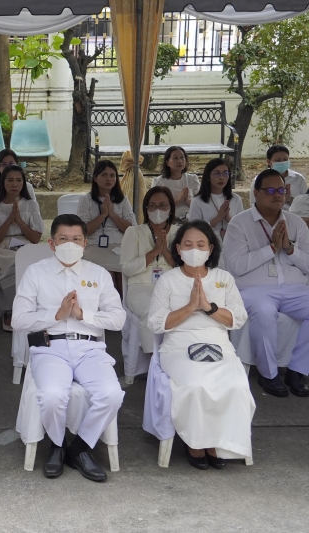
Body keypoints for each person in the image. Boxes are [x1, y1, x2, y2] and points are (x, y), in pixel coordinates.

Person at [12, 214, 126, 482]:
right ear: (52, 243)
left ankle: (78, 448)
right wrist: (57, 315)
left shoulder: (98, 275)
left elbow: (118, 319)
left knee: (112, 394)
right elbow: (18, 319)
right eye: (63, 239)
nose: (70, 244)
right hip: (50, 347)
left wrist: (82, 314)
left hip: (90, 349)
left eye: (76, 239)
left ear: (85, 243)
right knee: (52, 395)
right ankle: (58, 442)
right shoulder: (36, 272)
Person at [148, 220, 255, 469]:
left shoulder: (224, 278)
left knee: (237, 386)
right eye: (188, 244)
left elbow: (237, 319)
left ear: (210, 249)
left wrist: (208, 307)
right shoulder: (168, 281)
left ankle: (220, 441)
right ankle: (195, 441)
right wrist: (189, 307)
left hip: (219, 345)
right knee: (196, 384)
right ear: (178, 249)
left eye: (200, 244)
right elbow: (155, 322)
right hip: (178, 346)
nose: (194, 249)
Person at [224, 168, 309, 397]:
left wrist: (290, 249)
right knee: (263, 312)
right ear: (256, 193)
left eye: (281, 189)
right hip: (255, 290)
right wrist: (271, 248)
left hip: (295, 288)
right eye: (270, 190)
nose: (277, 195)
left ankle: (297, 370)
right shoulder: (239, 224)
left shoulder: (296, 223)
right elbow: (236, 265)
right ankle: (268, 374)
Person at [0, 164, 44, 331]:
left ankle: (32, 309)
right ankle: (12, 311)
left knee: (33, 262)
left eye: (19, 180)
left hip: (25, 245)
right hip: (2, 248)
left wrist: (20, 222)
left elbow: (36, 238)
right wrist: (9, 220)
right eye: (10, 180)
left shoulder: (31, 205)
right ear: (3, 183)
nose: (14, 184)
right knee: (14, 262)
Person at [120, 186, 178, 354]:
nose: (157, 210)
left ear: (170, 208)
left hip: (171, 286)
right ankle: (156, 357)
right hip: (140, 287)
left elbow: (184, 267)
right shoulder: (134, 232)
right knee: (151, 309)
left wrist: (165, 250)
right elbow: (127, 269)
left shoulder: (179, 232)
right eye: (152, 206)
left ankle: (178, 353)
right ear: (146, 209)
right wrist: (154, 253)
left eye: (162, 205)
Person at [77, 160, 136, 273]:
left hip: (118, 245)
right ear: (95, 178)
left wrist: (112, 215)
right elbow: (84, 231)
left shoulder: (123, 200)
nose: (108, 179)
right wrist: (103, 215)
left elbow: (132, 229)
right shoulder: (86, 200)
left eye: (112, 175)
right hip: (93, 245)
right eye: (104, 175)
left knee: (122, 269)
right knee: (108, 273)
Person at [188, 158, 243, 241]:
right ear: (208, 177)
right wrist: (218, 218)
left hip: (233, 242)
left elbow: (243, 227)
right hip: (208, 243)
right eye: (217, 174)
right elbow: (194, 230)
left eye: (225, 173)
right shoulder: (197, 201)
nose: (221, 177)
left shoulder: (236, 199)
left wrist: (228, 218)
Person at [0, 149, 34, 220]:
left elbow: (33, 211)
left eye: (11, 163)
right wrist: (8, 217)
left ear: (17, 164)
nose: (8, 167)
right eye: (4, 164)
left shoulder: (28, 187)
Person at [249, 144, 307, 211]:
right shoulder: (259, 180)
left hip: (294, 218)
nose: (282, 162)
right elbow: (254, 205)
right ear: (269, 162)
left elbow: (305, 206)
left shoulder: (299, 179)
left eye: (285, 159)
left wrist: (290, 200)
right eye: (278, 160)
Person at [152, 146, 200, 220]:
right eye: (175, 158)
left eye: (182, 157)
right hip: (169, 220)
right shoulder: (159, 182)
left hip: (191, 219)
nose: (180, 161)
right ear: (167, 162)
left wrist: (188, 201)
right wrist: (177, 200)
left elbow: (201, 207)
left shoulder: (192, 179)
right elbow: (156, 209)